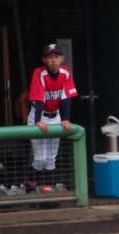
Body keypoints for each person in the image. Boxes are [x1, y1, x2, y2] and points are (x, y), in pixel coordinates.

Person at [27, 43, 77, 194]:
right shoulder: (39, 73)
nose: (53, 60)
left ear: (62, 58)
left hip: (55, 116)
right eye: (50, 57)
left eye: (56, 56)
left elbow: (66, 97)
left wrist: (66, 119)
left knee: (51, 159)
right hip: (39, 115)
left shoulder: (65, 72)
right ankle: (30, 187)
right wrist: (38, 121)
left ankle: (46, 194)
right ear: (44, 59)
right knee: (41, 158)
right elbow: (39, 99)